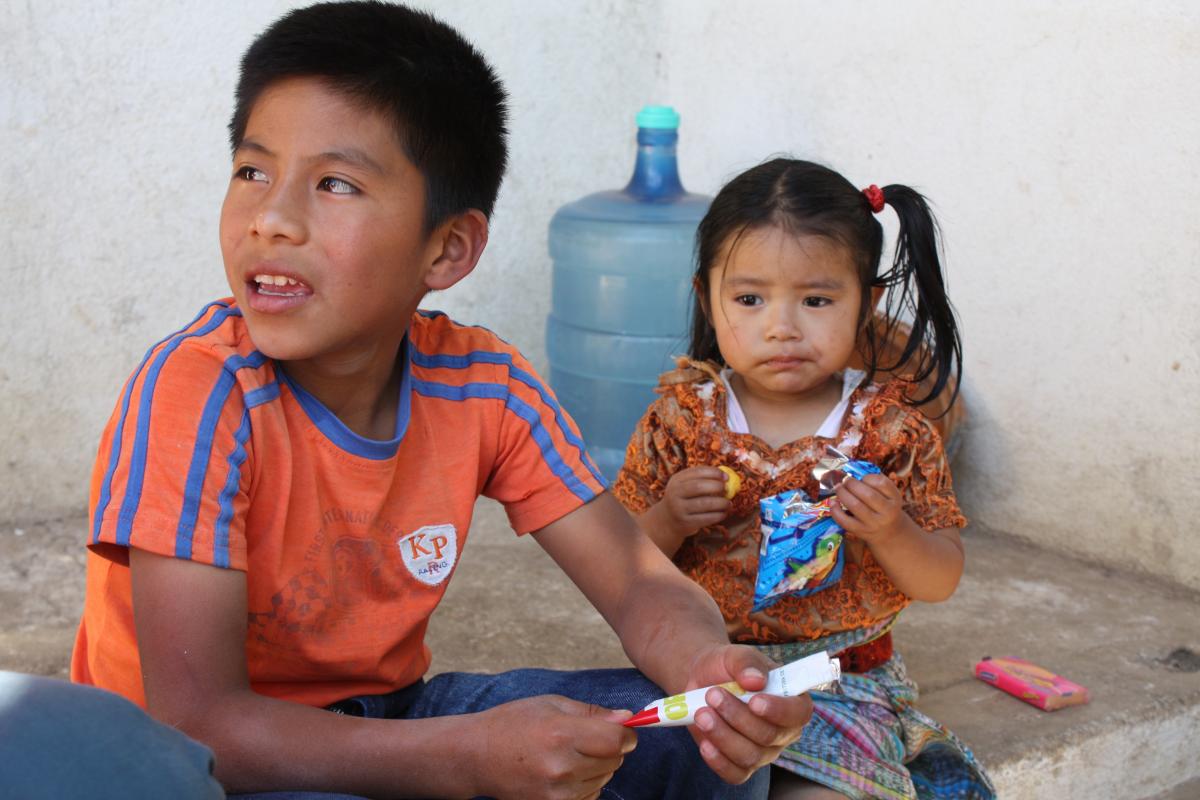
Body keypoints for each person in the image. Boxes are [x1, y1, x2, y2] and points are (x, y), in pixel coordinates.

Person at [66, 3, 814, 798]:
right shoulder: (196, 392)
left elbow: (635, 580)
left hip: (388, 720)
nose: (271, 219)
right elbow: (198, 724)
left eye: (335, 184)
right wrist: (464, 756)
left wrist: (707, 669)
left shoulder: (481, 386)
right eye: (253, 172)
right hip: (179, 767)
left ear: (448, 248)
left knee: (695, 741)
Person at [612, 158, 996, 800]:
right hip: (698, 672)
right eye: (749, 299)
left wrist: (891, 531)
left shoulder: (891, 433)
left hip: (839, 684)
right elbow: (617, 562)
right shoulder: (679, 423)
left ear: (867, 303)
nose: (782, 327)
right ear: (707, 297)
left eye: (817, 300)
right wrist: (668, 520)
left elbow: (940, 579)